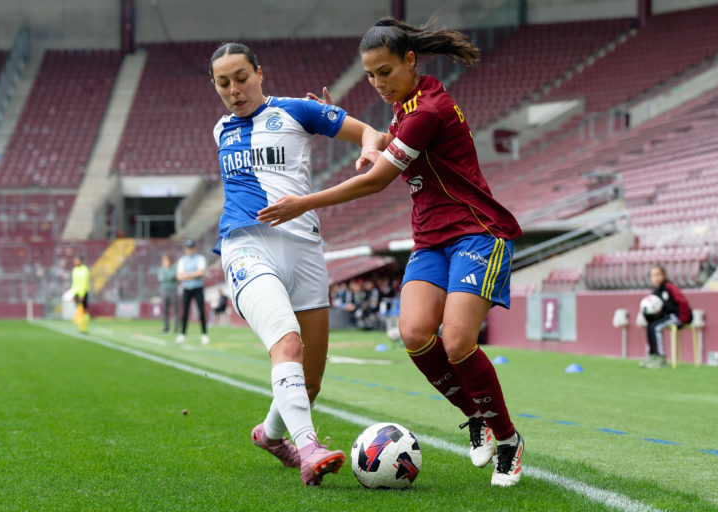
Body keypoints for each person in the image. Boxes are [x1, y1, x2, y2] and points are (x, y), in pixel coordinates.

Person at [257, 18, 525, 486]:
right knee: (416, 334)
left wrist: (304, 202)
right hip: (430, 240)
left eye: (385, 72)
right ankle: (477, 415)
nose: (378, 83)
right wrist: (357, 132)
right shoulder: (408, 106)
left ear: (410, 60)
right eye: (370, 76)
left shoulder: (427, 110)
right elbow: (389, 145)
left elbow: (378, 179)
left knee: (459, 342)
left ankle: (507, 440)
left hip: (477, 233)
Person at [209, 41, 384, 486]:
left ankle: (270, 436)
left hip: (305, 249)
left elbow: (370, 133)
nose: (234, 89)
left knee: (310, 382)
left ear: (260, 73)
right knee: (286, 345)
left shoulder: (296, 111)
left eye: (241, 78)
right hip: (247, 247)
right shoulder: (221, 130)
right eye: (223, 82)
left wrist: (366, 149)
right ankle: (309, 448)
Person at [640, 264, 692, 369]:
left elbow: (683, 302)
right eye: (653, 275)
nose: (656, 278)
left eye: (658, 274)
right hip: (667, 317)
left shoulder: (669, 287)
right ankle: (653, 354)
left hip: (678, 316)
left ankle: (661, 358)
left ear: (664, 275)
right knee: (650, 325)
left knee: (656, 327)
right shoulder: (655, 292)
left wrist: (683, 319)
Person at [176, 239, 209, 345]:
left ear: (194, 248)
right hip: (187, 289)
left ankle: (204, 334)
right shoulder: (182, 260)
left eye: (191, 248)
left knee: (201, 312)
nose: (190, 250)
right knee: (185, 312)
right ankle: (182, 334)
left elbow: (201, 272)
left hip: (198, 288)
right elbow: (179, 276)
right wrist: (192, 275)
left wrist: (187, 275)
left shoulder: (200, 258)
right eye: (188, 248)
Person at [157, 253, 178, 333]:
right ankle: (166, 327)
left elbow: (174, 276)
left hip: (173, 291)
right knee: (165, 311)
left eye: (166, 260)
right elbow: (161, 278)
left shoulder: (174, 267)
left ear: (169, 260)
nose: (164, 262)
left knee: (175, 310)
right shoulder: (161, 269)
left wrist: (168, 276)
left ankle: (176, 328)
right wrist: (170, 277)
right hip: (164, 291)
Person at [70, 255, 90, 333]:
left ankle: (84, 327)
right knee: (79, 309)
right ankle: (80, 327)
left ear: (81, 261)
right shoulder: (75, 270)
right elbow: (74, 283)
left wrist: (82, 295)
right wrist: (74, 293)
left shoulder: (84, 270)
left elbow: (84, 283)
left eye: (77, 260)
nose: (75, 262)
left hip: (83, 293)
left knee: (84, 310)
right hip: (77, 293)